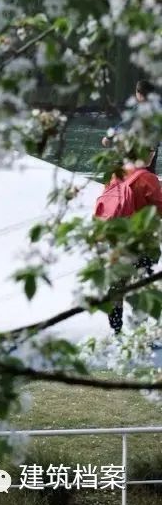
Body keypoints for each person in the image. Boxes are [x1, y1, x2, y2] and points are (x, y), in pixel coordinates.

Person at [93, 156, 162, 334]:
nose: (152, 153)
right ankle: (141, 332)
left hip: (118, 239)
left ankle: (116, 328)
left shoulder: (115, 173)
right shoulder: (148, 178)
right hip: (143, 241)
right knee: (143, 285)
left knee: (117, 284)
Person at [102, 80, 158, 173]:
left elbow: (123, 124)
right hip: (147, 159)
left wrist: (108, 137)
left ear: (138, 94)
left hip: (140, 162)